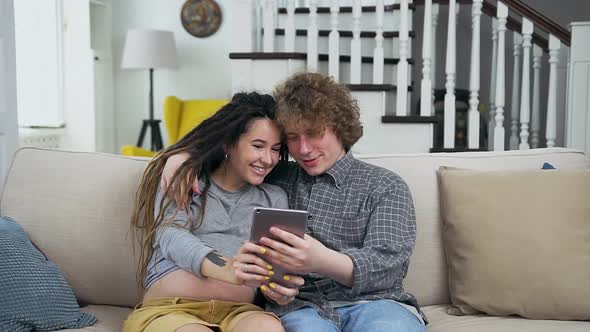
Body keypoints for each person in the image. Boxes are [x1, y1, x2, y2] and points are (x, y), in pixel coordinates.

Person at [161, 73, 427, 332]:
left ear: (341, 129)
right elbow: (232, 157)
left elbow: (388, 267)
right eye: (292, 137)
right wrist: (183, 158)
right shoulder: (275, 175)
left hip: (377, 304)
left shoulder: (385, 185)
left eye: (314, 134)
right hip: (302, 308)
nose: (303, 149)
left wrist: (322, 260)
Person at [124, 92, 304, 332]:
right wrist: (229, 269)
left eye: (275, 149)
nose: (268, 159)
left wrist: (279, 291)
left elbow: (274, 263)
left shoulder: (274, 197)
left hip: (240, 313)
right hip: (171, 309)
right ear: (228, 143)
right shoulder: (186, 178)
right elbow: (170, 235)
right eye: (258, 146)